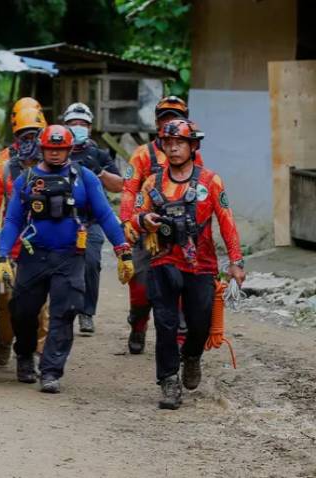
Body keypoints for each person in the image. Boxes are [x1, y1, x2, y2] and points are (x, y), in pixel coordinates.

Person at [0, 125, 134, 393]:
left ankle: (50, 371)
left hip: (71, 257)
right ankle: (24, 354)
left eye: (60, 149)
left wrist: (122, 250)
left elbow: (105, 215)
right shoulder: (26, 179)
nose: (55, 154)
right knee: (22, 311)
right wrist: (2, 255)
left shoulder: (85, 178)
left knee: (65, 312)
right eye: (50, 149)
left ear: (69, 150)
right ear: (42, 149)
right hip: (34, 255)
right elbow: (12, 219)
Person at [129, 119, 245, 410]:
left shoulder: (210, 181)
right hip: (163, 261)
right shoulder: (151, 182)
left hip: (201, 265)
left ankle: (192, 356)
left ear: (193, 146)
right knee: (166, 323)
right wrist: (144, 220)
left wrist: (236, 261)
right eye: (168, 144)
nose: (174, 148)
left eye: (180, 143)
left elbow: (227, 221)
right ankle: (169, 381)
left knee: (200, 323)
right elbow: (135, 213)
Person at [119, 96, 200, 355]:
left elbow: (201, 189)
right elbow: (130, 190)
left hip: (180, 232)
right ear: (157, 122)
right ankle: (138, 323)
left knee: (179, 287)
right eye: (165, 117)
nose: (170, 123)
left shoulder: (194, 156)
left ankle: (177, 344)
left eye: (175, 117)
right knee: (142, 288)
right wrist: (127, 222)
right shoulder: (143, 155)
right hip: (147, 230)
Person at [0, 100, 50, 365]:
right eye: (25, 135)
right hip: (11, 244)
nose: (30, 141)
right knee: (7, 300)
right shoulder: (6, 163)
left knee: (42, 306)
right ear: (16, 135)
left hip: (42, 244)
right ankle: (4, 339)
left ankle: (40, 353)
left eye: (35, 134)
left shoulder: (53, 158)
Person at [63, 102, 124, 336]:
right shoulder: (55, 150)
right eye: (73, 124)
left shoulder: (98, 154)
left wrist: (99, 171)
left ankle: (86, 313)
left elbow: (119, 186)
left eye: (83, 124)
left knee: (91, 262)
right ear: (65, 125)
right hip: (61, 219)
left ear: (90, 128)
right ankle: (59, 310)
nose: (78, 127)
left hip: (91, 220)